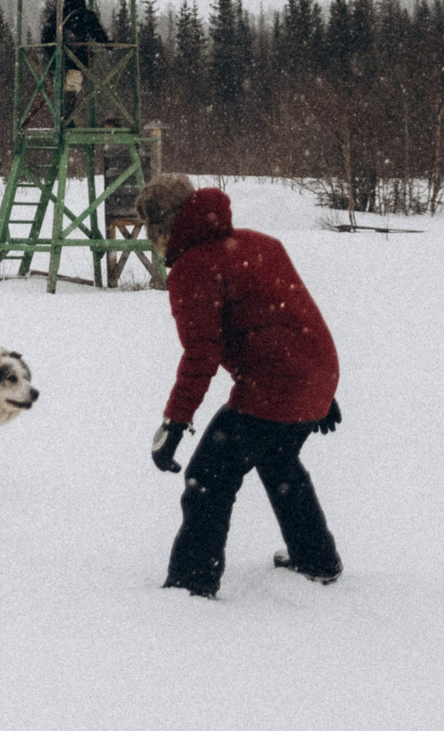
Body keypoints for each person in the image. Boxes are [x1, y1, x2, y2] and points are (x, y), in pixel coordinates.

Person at [134, 172, 344, 598]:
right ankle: (316, 558)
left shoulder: (193, 269)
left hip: (275, 387)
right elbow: (293, 318)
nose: (152, 243)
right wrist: (320, 389)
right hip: (314, 373)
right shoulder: (259, 243)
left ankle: (192, 583)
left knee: (208, 479)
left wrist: (174, 424)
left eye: (151, 232)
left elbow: (201, 356)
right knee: (279, 459)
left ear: (164, 227)